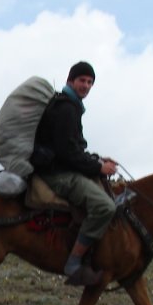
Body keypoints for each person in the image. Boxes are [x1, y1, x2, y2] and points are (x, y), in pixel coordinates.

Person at [31, 61, 118, 286]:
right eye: (82, 80)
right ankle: (74, 261)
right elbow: (67, 153)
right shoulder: (67, 108)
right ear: (71, 80)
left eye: (90, 82)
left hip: (62, 167)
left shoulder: (70, 105)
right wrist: (99, 167)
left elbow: (73, 149)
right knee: (105, 206)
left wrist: (97, 160)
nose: (86, 86)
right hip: (58, 174)